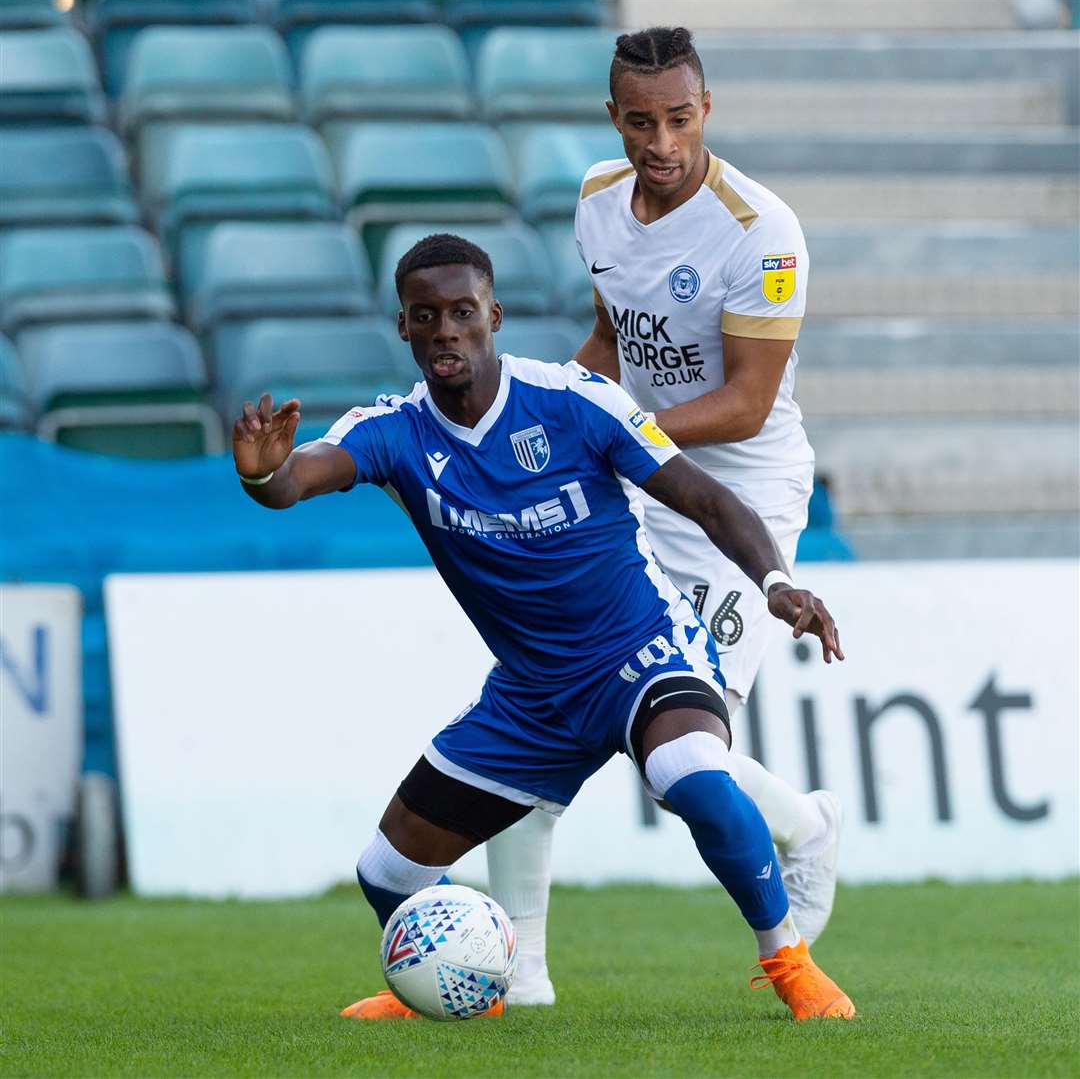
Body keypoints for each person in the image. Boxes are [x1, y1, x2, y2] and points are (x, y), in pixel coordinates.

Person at [232, 233, 854, 1022]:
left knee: (691, 774)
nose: (447, 330)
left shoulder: (572, 401)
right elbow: (294, 480)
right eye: (427, 317)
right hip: (532, 693)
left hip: (643, 652)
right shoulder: (392, 430)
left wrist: (777, 582)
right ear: (404, 328)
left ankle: (789, 960)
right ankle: (477, 981)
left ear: (495, 313)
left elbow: (706, 498)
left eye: (463, 312)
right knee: (385, 873)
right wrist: (261, 471)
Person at [486, 26, 841, 1007]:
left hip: (738, 499)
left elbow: (745, 404)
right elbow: (611, 339)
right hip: (641, 485)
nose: (662, 141)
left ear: (706, 111)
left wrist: (608, 433)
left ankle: (805, 827)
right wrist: (550, 411)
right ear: (615, 118)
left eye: (680, 119)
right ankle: (520, 975)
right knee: (545, 697)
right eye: (641, 121)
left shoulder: (760, 230)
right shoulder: (600, 198)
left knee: (675, 742)